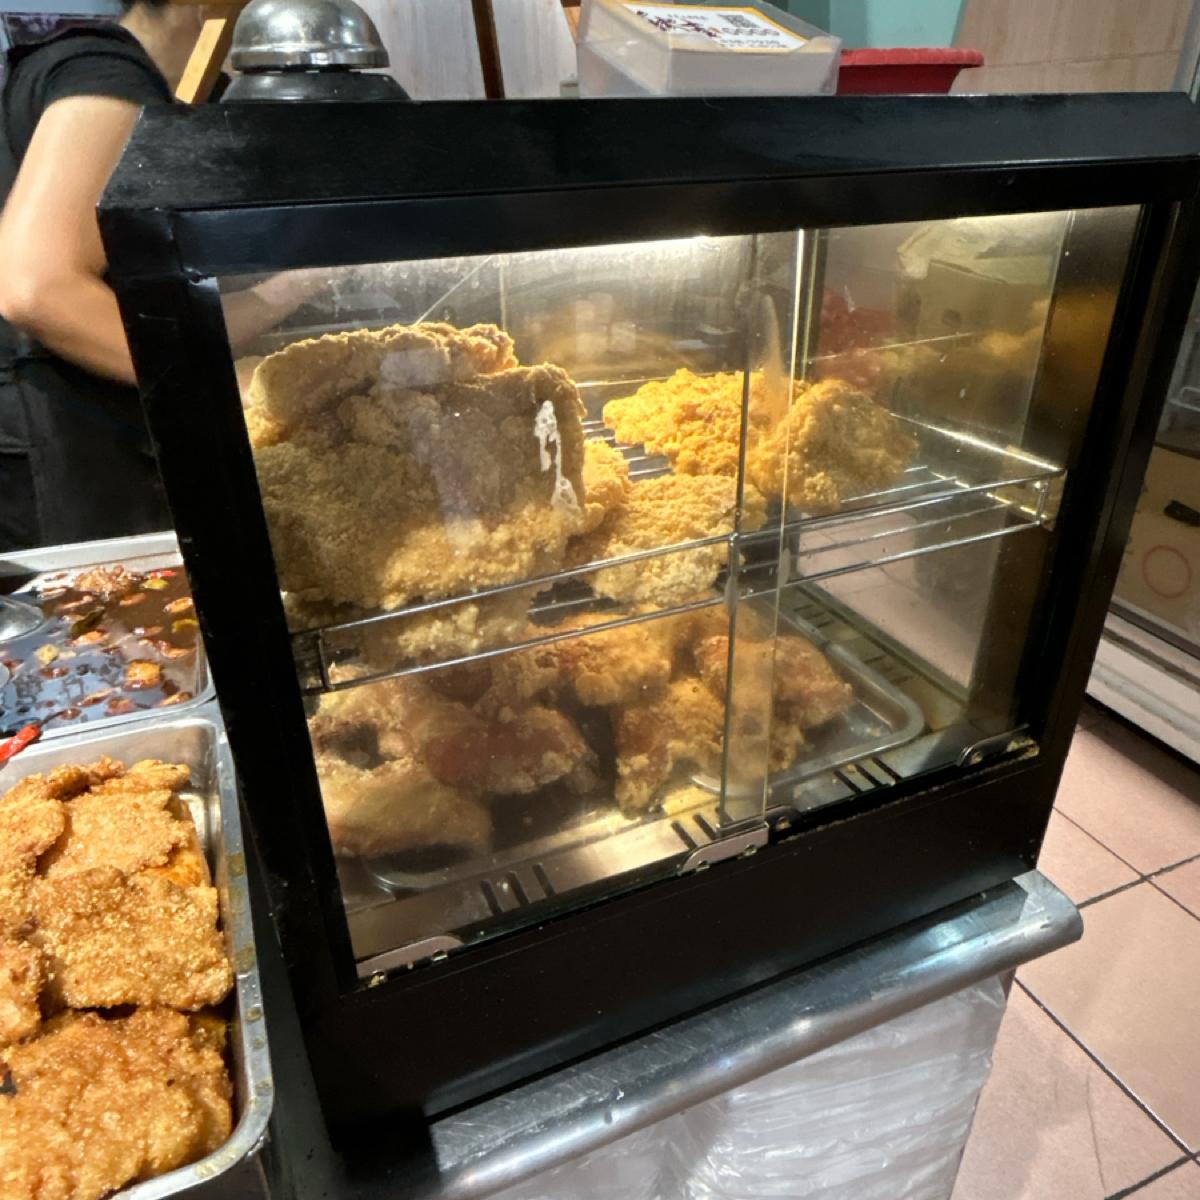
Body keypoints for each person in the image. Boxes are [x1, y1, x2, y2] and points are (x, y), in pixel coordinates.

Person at [0, 1, 311, 551]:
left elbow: (167, 318)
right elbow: (37, 288)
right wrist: (227, 389)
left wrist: (300, 283)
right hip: (63, 460)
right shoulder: (105, 75)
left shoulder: (135, 86)